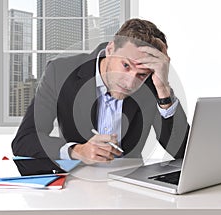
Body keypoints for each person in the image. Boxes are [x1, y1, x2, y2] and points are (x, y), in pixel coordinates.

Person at [12, 18, 189, 164]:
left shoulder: (152, 84)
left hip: (131, 185)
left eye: (141, 74)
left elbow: (182, 152)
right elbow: (24, 140)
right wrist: (77, 150)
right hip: (75, 183)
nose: (130, 82)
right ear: (110, 50)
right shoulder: (60, 72)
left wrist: (163, 88)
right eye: (126, 65)